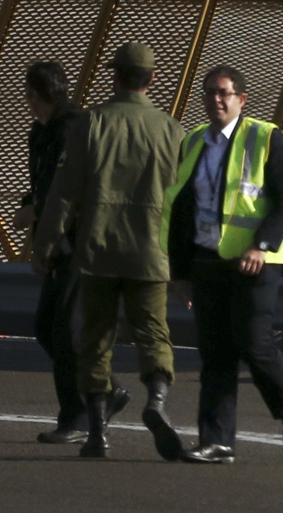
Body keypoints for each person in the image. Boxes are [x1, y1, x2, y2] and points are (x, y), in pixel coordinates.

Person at [32, 41, 185, 462]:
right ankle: (156, 400)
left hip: (98, 251)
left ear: (113, 76)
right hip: (151, 254)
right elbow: (184, 201)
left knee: (95, 338)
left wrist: (44, 245)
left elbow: (63, 194)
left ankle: (98, 432)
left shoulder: (91, 124)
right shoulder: (173, 131)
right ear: (152, 79)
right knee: (153, 332)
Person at [162, 65, 283, 465]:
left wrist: (261, 245)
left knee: (254, 343)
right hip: (208, 260)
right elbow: (179, 210)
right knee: (216, 355)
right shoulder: (193, 140)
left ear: (241, 99)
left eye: (225, 93)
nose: (217, 99)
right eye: (210, 92)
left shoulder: (266, 137)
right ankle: (216, 441)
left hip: (256, 264)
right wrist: (180, 273)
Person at [13, 61, 129, 445]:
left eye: (28, 93)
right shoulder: (40, 132)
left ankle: (78, 415)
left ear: (35, 94)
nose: (26, 101)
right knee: (48, 328)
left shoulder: (73, 129)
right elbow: (45, 184)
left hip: (83, 243)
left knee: (64, 331)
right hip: (57, 243)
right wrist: (31, 206)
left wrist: (38, 213)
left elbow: (74, 190)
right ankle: (106, 391)